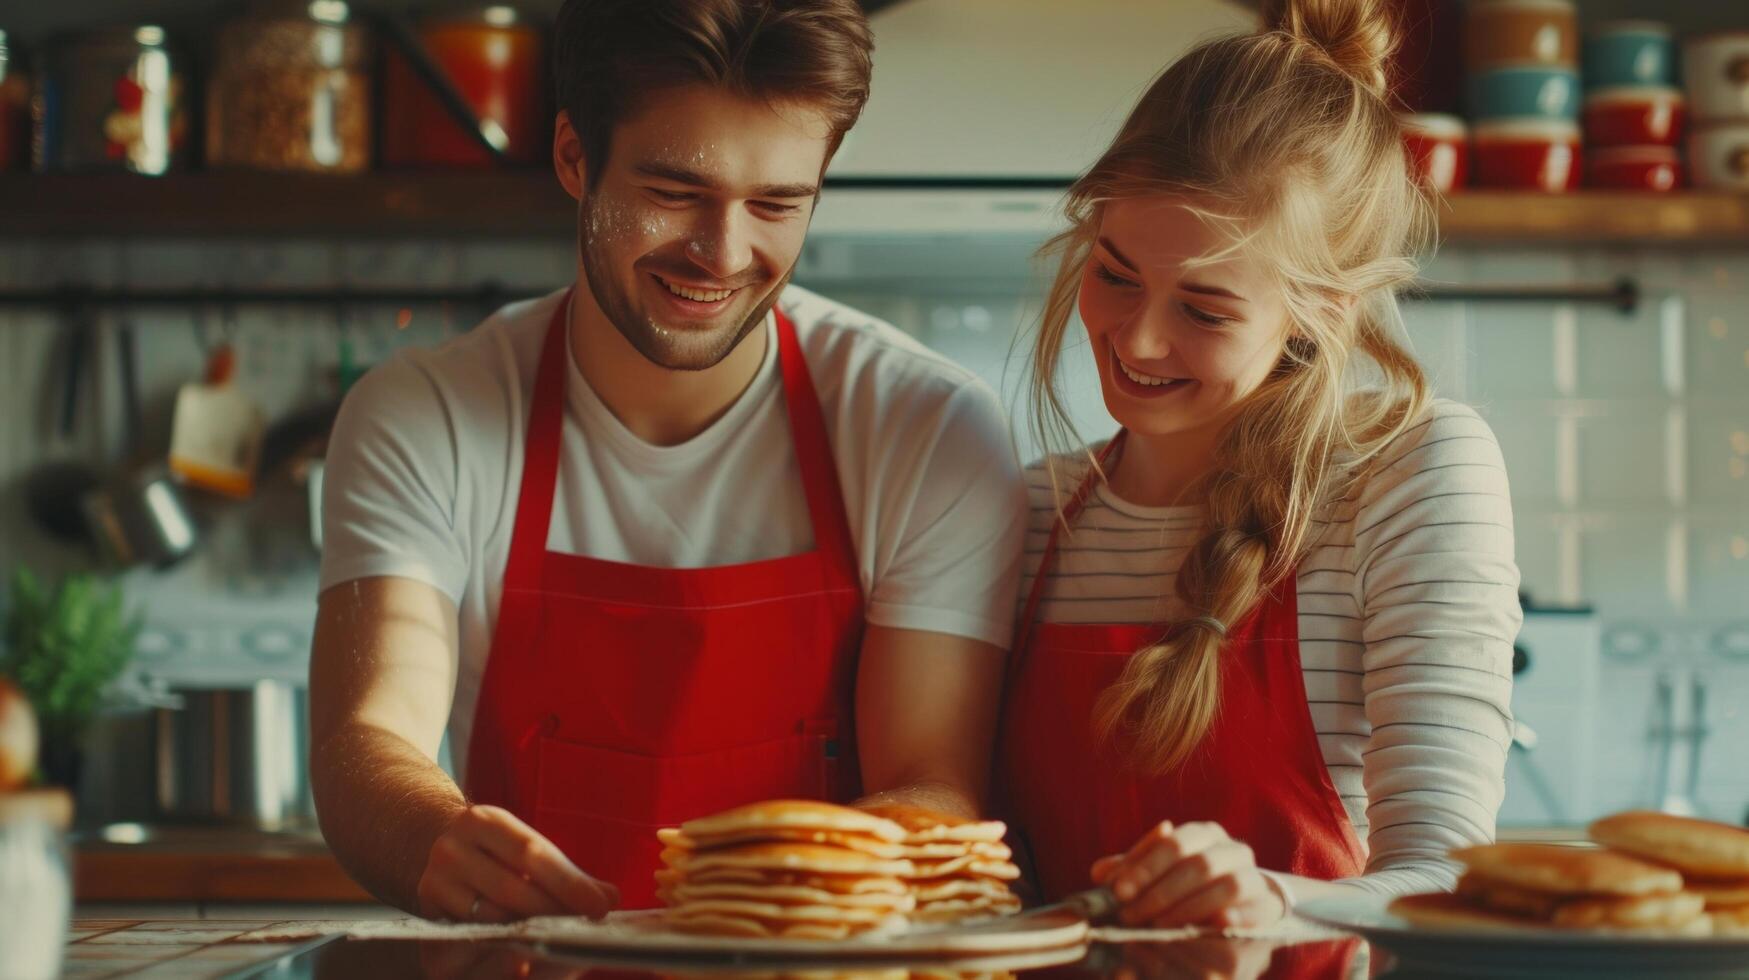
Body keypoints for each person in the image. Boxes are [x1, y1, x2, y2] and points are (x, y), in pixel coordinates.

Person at [309, 0, 1025, 922]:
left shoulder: (926, 428)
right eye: (674, 192)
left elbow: (931, 778)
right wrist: (430, 837)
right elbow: (367, 737)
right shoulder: (427, 415)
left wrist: (800, 892)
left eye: (775, 204)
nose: (721, 253)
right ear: (574, 157)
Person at [998, 0, 1521, 931]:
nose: (1137, 338)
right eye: (1115, 274)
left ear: (1319, 312)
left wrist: (1268, 904)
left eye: (1204, 309)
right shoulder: (1029, 508)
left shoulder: (1400, 477)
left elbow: (1446, 879)